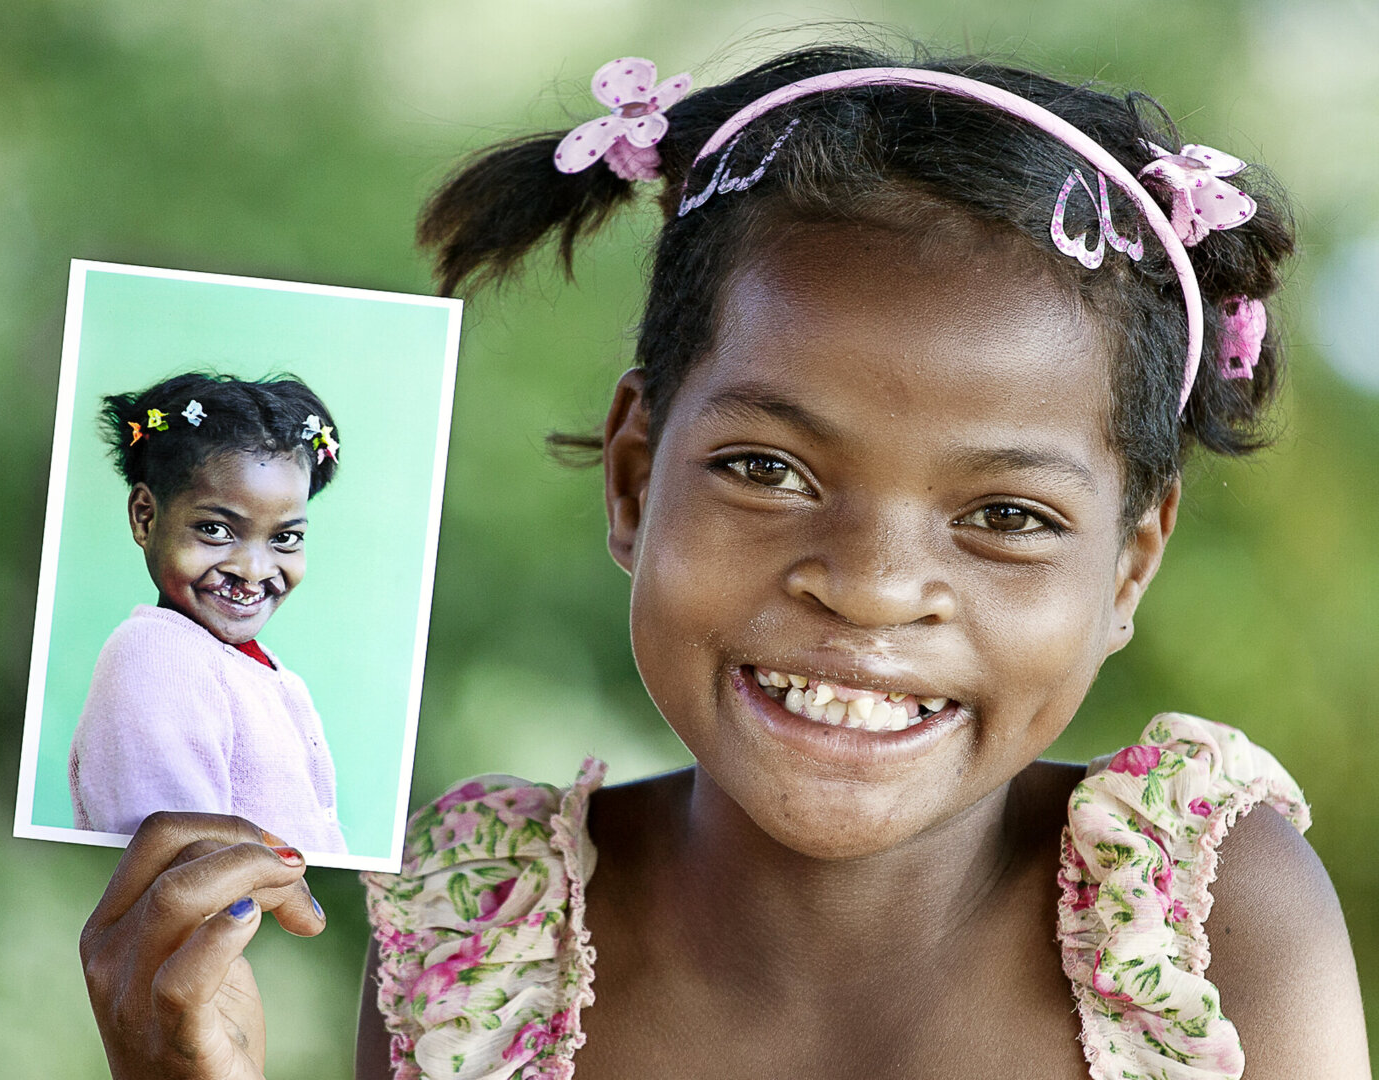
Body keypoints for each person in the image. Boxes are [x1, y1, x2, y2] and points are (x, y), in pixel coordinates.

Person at [78, 45, 1369, 1080]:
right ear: (637, 478)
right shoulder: (482, 955)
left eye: (1008, 516)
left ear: (1131, 568)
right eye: (768, 472)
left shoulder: (1210, 921)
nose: (867, 586)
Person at [70, 372, 347, 854]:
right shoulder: (156, 657)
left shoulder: (250, 667)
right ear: (145, 516)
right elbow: (177, 862)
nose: (253, 571)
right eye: (216, 530)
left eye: (285, 538)